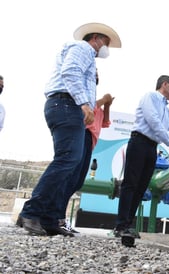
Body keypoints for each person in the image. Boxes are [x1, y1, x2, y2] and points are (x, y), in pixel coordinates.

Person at [18, 22, 122, 237]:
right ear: (94, 38)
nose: (106, 48)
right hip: (66, 104)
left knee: (70, 163)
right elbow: (71, 72)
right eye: (106, 42)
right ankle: (32, 211)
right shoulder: (83, 48)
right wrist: (85, 103)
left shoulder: (87, 57)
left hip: (65, 106)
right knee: (67, 160)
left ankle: (49, 219)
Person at [114, 75, 169, 242]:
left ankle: (127, 224)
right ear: (165, 84)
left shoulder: (166, 108)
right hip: (139, 142)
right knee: (130, 184)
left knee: (141, 188)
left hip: (152, 147)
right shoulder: (150, 97)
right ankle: (120, 226)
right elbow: (153, 121)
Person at [58, 89, 114, 233]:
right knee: (69, 178)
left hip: (90, 142)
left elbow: (106, 122)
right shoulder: (86, 100)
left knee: (77, 181)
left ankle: (60, 217)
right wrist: (103, 99)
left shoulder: (100, 109)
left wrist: (107, 105)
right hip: (82, 135)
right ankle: (58, 217)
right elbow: (89, 108)